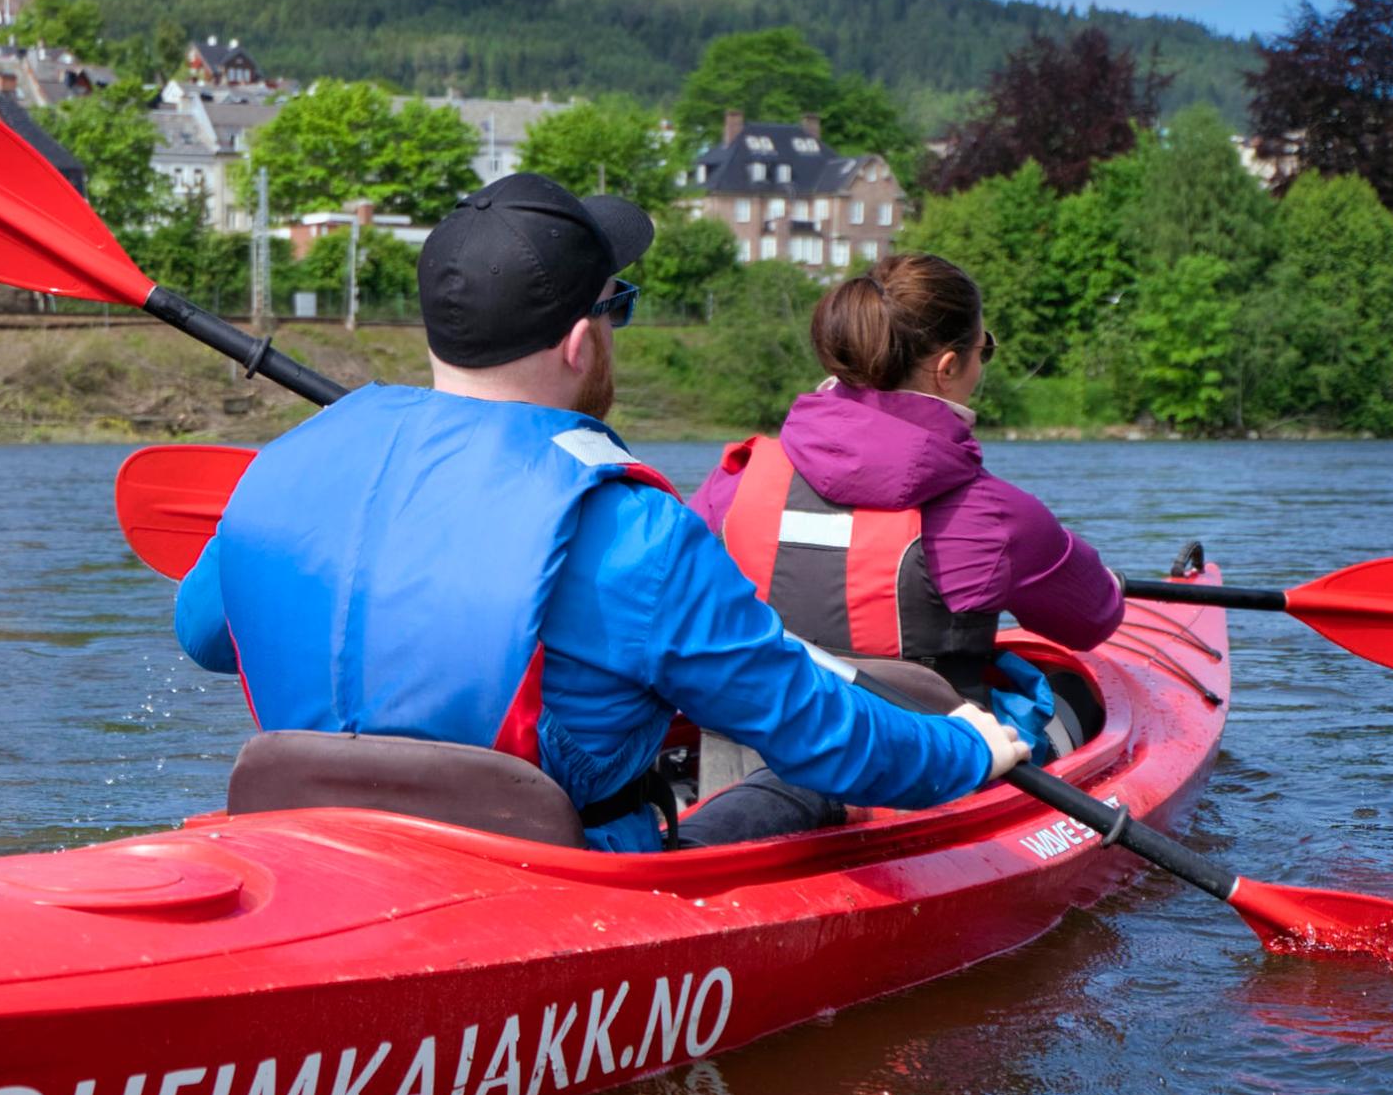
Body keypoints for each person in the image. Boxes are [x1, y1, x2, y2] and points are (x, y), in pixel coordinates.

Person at [172, 173, 1028, 853]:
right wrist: (970, 752)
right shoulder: (637, 532)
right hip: (557, 875)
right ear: (582, 341)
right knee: (804, 789)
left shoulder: (286, 466)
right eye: (615, 306)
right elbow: (823, 734)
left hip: (313, 847)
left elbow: (207, 634)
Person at [688, 252, 1124, 763]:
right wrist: (1110, 584)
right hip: (914, 780)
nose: (983, 362)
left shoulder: (737, 478)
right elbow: (1094, 619)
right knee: (1078, 693)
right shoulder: (994, 517)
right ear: (946, 368)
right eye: (985, 349)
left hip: (749, 757)